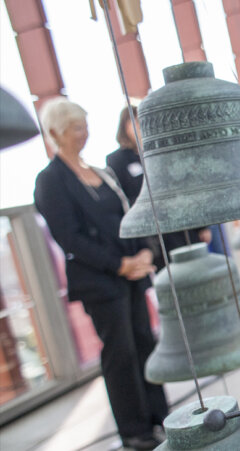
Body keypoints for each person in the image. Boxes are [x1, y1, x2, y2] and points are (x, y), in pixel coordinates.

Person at [34, 98, 168, 450]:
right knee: (120, 353)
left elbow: (129, 213)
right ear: (55, 134)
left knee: (144, 342)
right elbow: (69, 237)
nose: (84, 134)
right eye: (76, 128)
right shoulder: (50, 181)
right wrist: (118, 264)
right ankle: (135, 431)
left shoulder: (102, 173)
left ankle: (159, 417)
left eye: (85, 126)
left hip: (132, 273)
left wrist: (143, 251)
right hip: (101, 282)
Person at [106, 106, 209, 270]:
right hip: (154, 235)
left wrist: (201, 225)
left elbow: (182, 187)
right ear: (125, 126)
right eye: (138, 123)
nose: (142, 128)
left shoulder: (160, 151)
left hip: (181, 226)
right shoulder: (116, 160)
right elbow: (125, 200)